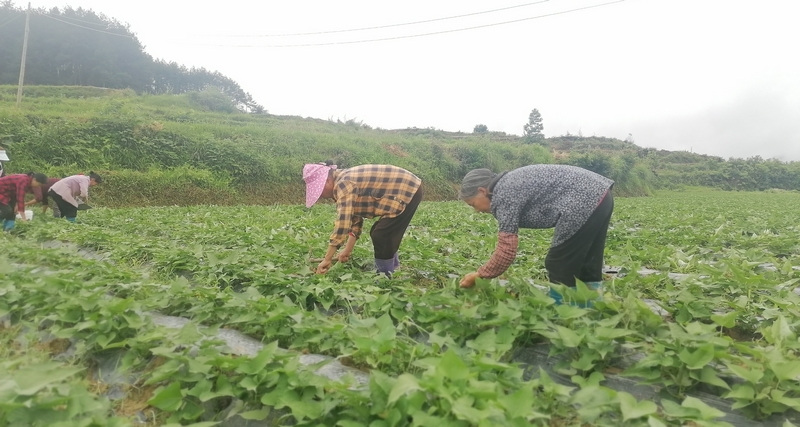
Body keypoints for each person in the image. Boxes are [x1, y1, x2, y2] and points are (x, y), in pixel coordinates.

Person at [458, 164, 614, 305]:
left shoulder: (502, 194)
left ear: (482, 191)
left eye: (473, 204)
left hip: (584, 200)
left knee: (558, 263)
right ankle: (592, 308)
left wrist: (480, 274)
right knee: (587, 261)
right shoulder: (508, 184)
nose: (477, 210)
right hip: (601, 195)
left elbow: (507, 250)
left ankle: (564, 317)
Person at [303, 161, 423, 277]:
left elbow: (343, 224)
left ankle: (385, 276)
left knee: (381, 235)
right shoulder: (344, 182)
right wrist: (347, 250)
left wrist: (327, 259)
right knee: (383, 233)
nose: (321, 196)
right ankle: (393, 269)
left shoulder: (344, 184)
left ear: (327, 181)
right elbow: (355, 220)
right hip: (407, 189)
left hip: (408, 189)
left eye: (320, 191)